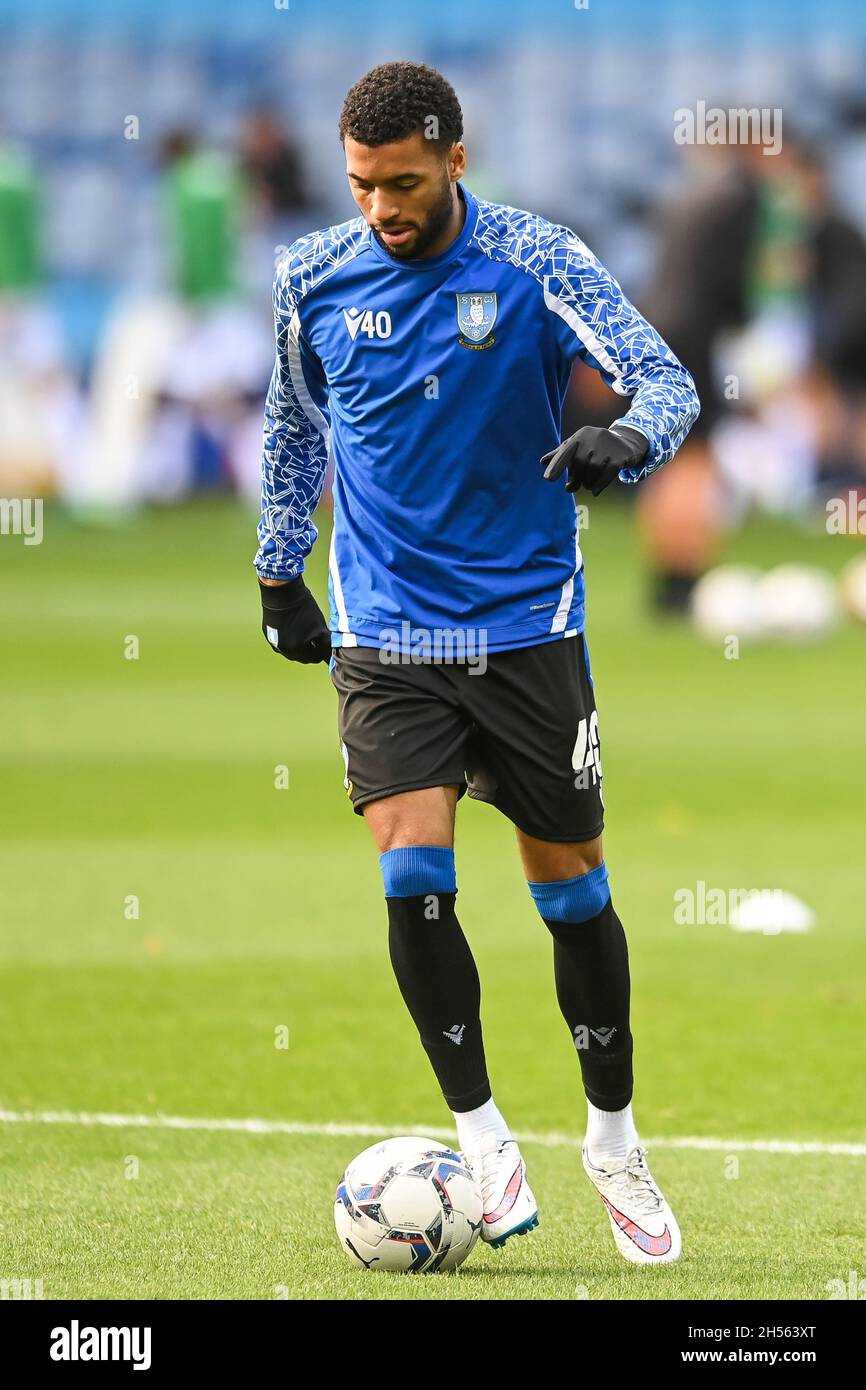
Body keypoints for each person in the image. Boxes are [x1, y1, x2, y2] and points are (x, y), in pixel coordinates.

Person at [254, 61, 699, 1264]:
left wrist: (626, 437)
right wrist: (277, 566)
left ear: (455, 157)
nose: (380, 210)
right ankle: (480, 1126)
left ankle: (610, 1135)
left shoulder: (536, 259)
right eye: (360, 186)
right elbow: (296, 423)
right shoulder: (309, 277)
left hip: (525, 629)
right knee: (410, 869)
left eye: (402, 183)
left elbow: (669, 380)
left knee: (571, 893)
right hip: (390, 637)